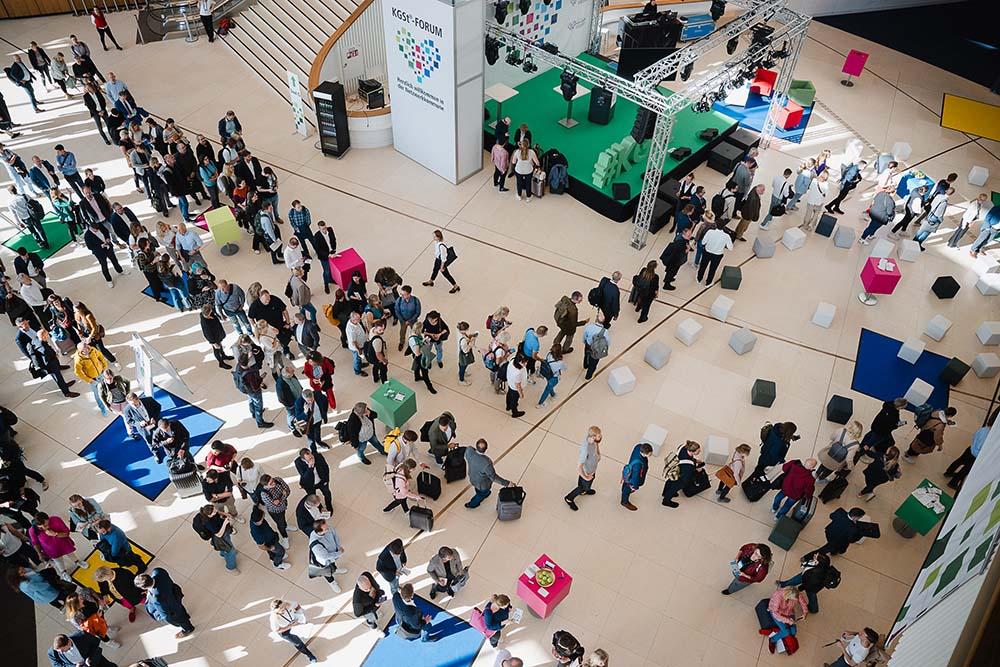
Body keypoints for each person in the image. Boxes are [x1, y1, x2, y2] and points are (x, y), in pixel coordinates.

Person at [15, 319, 79, 397]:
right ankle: (66, 392)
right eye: (24, 324)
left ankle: (59, 369)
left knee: (55, 366)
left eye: (27, 323)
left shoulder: (32, 326)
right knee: (56, 375)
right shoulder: (19, 338)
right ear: (19, 326)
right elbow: (25, 351)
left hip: (44, 345)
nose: (27, 325)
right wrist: (35, 360)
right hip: (43, 356)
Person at [136, 568, 194, 638]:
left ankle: (188, 629)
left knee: (180, 619)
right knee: (180, 608)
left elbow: (165, 614)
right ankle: (185, 616)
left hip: (173, 609)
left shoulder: (156, 598)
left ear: (144, 588)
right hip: (175, 594)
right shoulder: (158, 571)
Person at [944, 410, 995, 490]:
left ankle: (948, 472)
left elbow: (974, 437)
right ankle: (953, 483)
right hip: (976, 456)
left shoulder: (983, 429)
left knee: (959, 461)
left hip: (970, 449)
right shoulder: (990, 436)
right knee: (965, 470)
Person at [29, 512, 88, 579]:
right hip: (51, 550)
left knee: (71, 554)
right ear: (38, 526)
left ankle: (77, 562)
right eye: (44, 526)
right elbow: (35, 543)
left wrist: (55, 534)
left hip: (64, 544)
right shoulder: (32, 531)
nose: (48, 526)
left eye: (48, 523)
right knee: (58, 561)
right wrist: (39, 553)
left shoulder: (56, 519)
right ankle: (63, 572)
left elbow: (67, 533)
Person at [464, 439, 511, 508]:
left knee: (477, 489)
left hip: (472, 478)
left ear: (476, 446)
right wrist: (507, 483)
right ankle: (472, 504)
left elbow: (470, 450)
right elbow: (494, 477)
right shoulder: (486, 463)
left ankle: (484, 493)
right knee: (480, 495)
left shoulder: (469, 451)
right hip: (483, 485)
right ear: (486, 449)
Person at [564, 426, 602, 511]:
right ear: (593, 437)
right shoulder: (585, 450)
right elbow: (579, 466)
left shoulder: (592, 440)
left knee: (584, 484)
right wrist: (586, 477)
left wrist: (598, 454)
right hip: (587, 472)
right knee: (583, 486)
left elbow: (596, 444)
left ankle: (585, 489)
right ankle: (569, 498)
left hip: (591, 469)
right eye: (599, 436)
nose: (600, 437)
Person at [269, 599, 318, 663]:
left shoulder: (288, 603)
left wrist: (300, 615)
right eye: (281, 610)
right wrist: (291, 626)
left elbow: (297, 606)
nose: (284, 609)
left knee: (305, 631)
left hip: (294, 622)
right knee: (298, 643)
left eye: (284, 607)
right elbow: (277, 630)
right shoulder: (273, 618)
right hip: (285, 631)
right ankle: (309, 655)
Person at [308, 518, 347, 592]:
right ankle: (332, 583)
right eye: (326, 529)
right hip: (324, 561)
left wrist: (338, 547)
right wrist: (339, 553)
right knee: (327, 572)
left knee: (333, 564)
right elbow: (325, 556)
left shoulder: (328, 528)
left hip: (333, 554)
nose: (328, 528)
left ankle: (335, 570)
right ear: (319, 532)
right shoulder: (315, 545)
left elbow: (335, 536)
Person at [660, 441, 703, 508]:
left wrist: (695, 460)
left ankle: (665, 493)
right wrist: (697, 469)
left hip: (673, 469)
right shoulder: (689, 466)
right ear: (692, 451)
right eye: (698, 451)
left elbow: (685, 457)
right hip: (680, 476)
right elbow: (686, 476)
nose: (700, 451)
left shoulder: (683, 447)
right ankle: (666, 501)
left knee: (670, 481)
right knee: (674, 488)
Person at [83, 222, 125, 288]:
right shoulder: (87, 236)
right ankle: (109, 280)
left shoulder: (100, 226)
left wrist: (107, 238)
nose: (97, 230)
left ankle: (120, 271)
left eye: (98, 229)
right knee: (104, 265)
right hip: (100, 252)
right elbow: (90, 247)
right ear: (91, 228)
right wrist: (101, 246)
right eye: (95, 230)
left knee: (114, 260)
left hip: (108, 247)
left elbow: (106, 231)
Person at [73, 341, 109, 416]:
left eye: (87, 347)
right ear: (80, 350)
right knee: (98, 395)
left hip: (101, 374)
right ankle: (102, 408)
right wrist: (89, 380)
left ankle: (109, 402)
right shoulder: (78, 359)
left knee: (107, 388)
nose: (86, 350)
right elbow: (78, 372)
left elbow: (101, 356)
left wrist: (104, 367)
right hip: (93, 379)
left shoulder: (92, 349)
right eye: (84, 349)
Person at [249, 506, 288, 570]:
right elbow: (261, 546)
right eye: (263, 518)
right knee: (281, 551)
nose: (264, 517)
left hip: (271, 536)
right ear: (258, 521)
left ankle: (273, 558)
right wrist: (270, 548)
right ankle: (277, 564)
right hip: (270, 543)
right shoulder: (257, 534)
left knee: (273, 553)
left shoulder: (254, 515)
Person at [258, 474, 293, 545]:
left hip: (284, 506)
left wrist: (279, 500)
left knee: (283, 518)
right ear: (266, 486)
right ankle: (284, 537)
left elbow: (288, 490)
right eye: (271, 483)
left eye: (273, 480)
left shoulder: (278, 480)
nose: (274, 483)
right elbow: (276, 506)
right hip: (275, 512)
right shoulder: (264, 494)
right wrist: (283, 495)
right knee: (280, 524)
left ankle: (286, 526)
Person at [914, 186, 953, 251]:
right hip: (934, 218)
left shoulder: (939, 196)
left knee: (922, 229)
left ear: (946, 191)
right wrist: (941, 220)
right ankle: (918, 243)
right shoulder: (944, 202)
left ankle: (914, 240)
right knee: (926, 232)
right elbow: (938, 214)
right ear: (951, 194)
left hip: (929, 213)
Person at [48, 632, 117, 667]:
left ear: (69, 642)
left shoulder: (81, 635)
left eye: (63, 650)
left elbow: (96, 642)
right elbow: (57, 665)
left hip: (97, 661)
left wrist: (89, 658)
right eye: (59, 652)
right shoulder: (53, 652)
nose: (61, 653)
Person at [621, 442, 653, 511]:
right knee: (628, 489)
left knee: (625, 483)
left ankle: (623, 489)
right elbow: (635, 478)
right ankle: (624, 502)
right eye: (649, 454)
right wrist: (634, 487)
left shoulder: (638, 446)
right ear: (644, 454)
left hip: (629, 472)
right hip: (632, 478)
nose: (651, 455)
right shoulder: (637, 466)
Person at [581, 314, 610, 381]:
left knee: (586, 356)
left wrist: (584, 342)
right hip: (597, 350)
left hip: (588, 346)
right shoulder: (605, 332)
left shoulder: (589, 327)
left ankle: (585, 365)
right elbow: (608, 342)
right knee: (593, 363)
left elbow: (584, 336)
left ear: (596, 319)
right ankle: (588, 376)